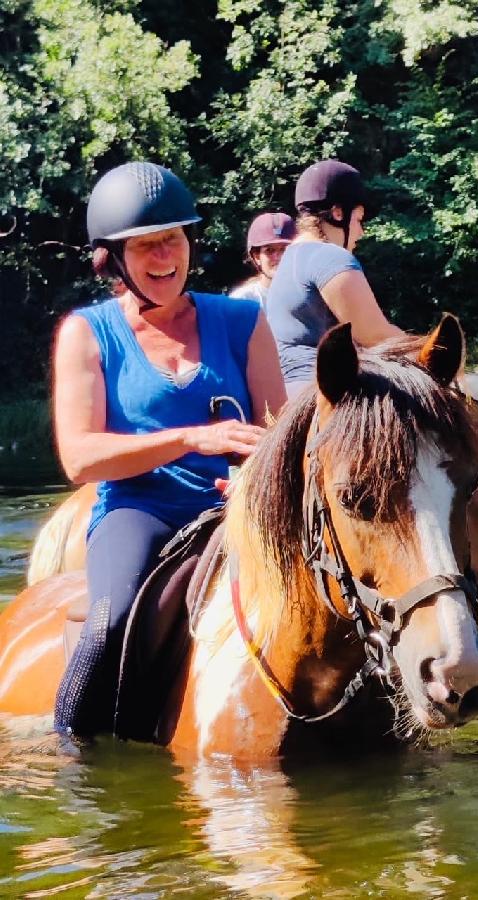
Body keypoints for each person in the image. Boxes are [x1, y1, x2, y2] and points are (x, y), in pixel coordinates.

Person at [52, 162, 287, 741]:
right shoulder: (87, 333)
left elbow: (280, 432)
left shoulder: (243, 320)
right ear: (113, 258)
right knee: (109, 620)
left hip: (239, 509)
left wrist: (257, 476)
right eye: (145, 245)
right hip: (139, 510)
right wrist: (191, 439)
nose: (164, 257)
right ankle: (72, 749)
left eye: (173, 239)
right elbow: (79, 458)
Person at [265, 159, 405, 395]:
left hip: (288, 393)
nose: (361, 232)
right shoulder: (328, 257)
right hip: (322, 395)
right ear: (338, 213)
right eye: (358, 220)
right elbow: (376, 336)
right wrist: (433, 348)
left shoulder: (290, 258)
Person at [230, 211, 297, 308]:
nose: (278, 257)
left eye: (284, 249)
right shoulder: (243, 300)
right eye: (269, 250)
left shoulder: (312, 297)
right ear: (257, 257)